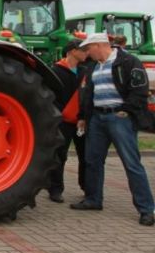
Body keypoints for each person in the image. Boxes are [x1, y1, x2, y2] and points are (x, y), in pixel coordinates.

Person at [70, 32, 155, 226]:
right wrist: (83, 117)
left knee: (131, 163)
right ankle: (93, 199)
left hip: (119, 118)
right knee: (92, 160)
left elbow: (140, 89)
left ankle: (146, 209)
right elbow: (87, 94)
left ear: (99, 45)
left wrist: (126, 110)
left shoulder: (128, 61)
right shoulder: (92, 67)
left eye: (88, 48)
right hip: (97, 118)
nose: (87, 53)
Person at [48, 38, 89, 202]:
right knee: (59, 155)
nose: (86, 53)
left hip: (82, 121)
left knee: (85, 155)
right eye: (83, 50)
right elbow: (51, 96)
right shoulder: (55, 71)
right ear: (72, 51)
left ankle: (87, 187)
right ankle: (55, 189)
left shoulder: (85, 71)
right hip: (63, 120)